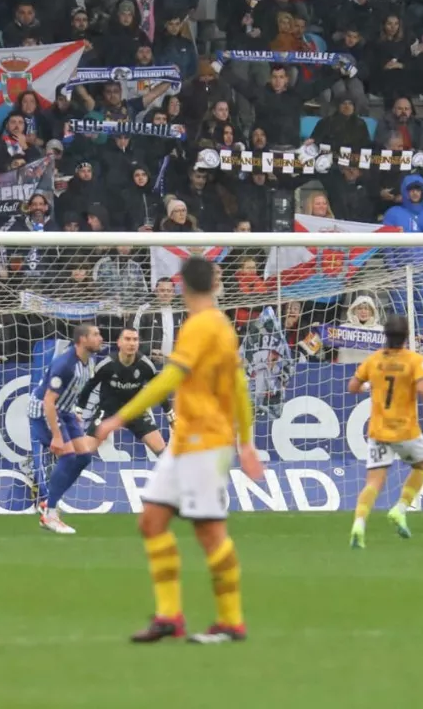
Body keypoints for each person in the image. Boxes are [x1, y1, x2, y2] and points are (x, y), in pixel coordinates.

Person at [94, 257, 265, 645]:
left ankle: (231, 621)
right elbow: (239, 385)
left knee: (209, 531)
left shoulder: (201, 325)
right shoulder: (221, 326)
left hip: (206, 442)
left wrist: (118, 418)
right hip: (186, 440)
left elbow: (170, 376)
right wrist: (249, 441)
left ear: (182, 286)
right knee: (151, 520)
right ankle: (169, 615)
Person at [348, 315, 423, 548]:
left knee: (373, 482)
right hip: (406, 431)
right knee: (422, 466)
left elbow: (352, 387)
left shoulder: (374, 360)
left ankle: (359, 524)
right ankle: (400, 509)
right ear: (406, 336)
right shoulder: (414, 360)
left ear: (385, 335)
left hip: (379, 431)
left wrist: (369, 385)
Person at [29, 322, 104, 535]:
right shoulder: (65, 364)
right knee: (68, 456)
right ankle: (50, 514)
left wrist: (75, 412)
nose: (101, 338)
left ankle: (49, 503)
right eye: (96, 334)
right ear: (82, 340)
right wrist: (56, 436)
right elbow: (48, 401)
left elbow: (72, 391)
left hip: (66, 411)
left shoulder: (87, 361)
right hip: (45, 412)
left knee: (84, 457)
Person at [80, 328, 167, 458]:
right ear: (119, 342)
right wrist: (78, 410)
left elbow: (159, 391)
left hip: (135, 411)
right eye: (127, 339)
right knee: (82, 454)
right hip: (108, 411)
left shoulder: (145, 366)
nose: (131, 343)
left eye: (135, 340)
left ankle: (178, 478)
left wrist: (171, 416)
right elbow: (88, 388)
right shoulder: (107, 365)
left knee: (164, 453)